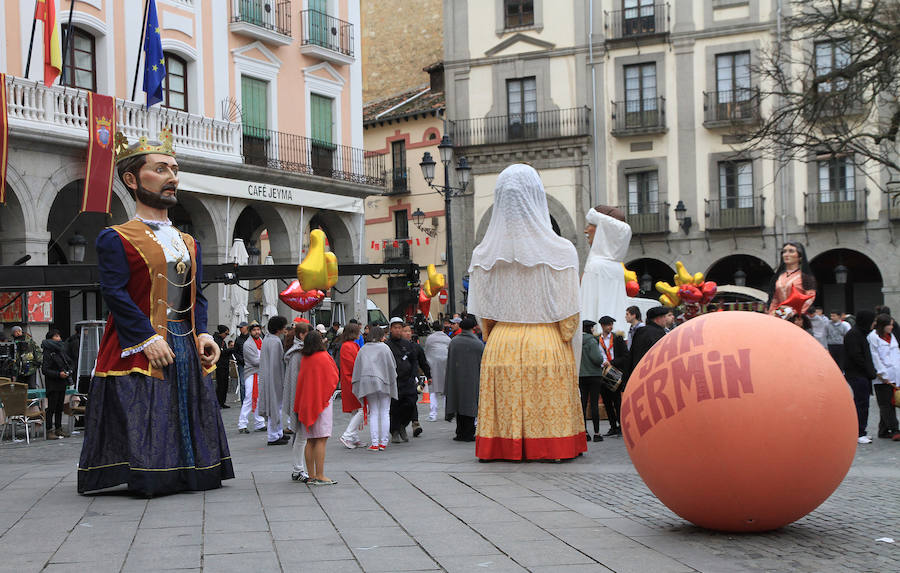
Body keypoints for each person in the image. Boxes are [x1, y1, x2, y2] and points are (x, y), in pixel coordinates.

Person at [78, 129, 232, 495]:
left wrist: (205, 332)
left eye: (174, 169)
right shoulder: (116, 237)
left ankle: (191, 470)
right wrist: (145, 337)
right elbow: (114, 293)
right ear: (132, 179)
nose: (172, 177)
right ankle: (152, 474)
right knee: (148, 407)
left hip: (184, 338)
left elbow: (198, 294)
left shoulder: (189, 241)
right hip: (141, 341)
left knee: (187, 404)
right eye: (161, 169)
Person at [467, 164, 586, 461]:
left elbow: (485, 315)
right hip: (546, 342)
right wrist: (563, 335)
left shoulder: (484, 253)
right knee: (544, 405)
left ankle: (500, 447)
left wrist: (496, 333)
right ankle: (552, 447)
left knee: (506, 403)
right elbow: (569, 316)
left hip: (501, 345)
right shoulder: (561, 250)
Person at [293, 331, 339, 485]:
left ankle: (311, 475)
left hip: (307, 402)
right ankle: (320, 475)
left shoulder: (305, 358)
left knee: (310, 440)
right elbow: (334, 377)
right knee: (321, 439)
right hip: (322, 402)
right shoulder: (324, 356)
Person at [581, 205, 632, 328]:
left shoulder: (595, 266)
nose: (586, 230)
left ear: (603, 230)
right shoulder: (617, 266)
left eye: (590, 225)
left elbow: (587, 308)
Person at [351, 326, 397, 451]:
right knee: (385, 412)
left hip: (368, 383)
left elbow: (357, 368)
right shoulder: (385, 348)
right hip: (384, 382)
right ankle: (383, 442)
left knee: (374, 413)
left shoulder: (363, 349)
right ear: (382, 336)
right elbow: (392, 366)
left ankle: (375, 443)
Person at [444, 316, 484, 442]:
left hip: (456, 378)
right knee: (470, 405)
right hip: (472, 379)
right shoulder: (477, 344)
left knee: (459, 405)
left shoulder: (454, 342)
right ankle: (468, 433)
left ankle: (459, 432)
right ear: (473, 328)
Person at [843, 310, 877, 444]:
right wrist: (869, 369)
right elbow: (856, 356)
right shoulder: (854, 335)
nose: (873, 324)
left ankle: (862, 430)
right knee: (861, 403)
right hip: (857, 374)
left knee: (864, 403)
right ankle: (858, 432)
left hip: (862, 374)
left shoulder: (861, 333)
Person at [283, 320, 310, 481]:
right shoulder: (297, 354)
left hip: (302, 399)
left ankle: (298, 469)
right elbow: (294, 381)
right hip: (300, 400)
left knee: (303, 437)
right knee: (301, 436)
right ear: (301, 335)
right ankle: (298, 469)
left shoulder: (301, 352)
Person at [386, 318, 420, 443]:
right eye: (395, 328)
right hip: (394, 382)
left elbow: (414, 360)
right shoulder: (387, 346)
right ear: (390, 329)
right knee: (394, 407)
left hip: (408, 381)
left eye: (400, 328)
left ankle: (403, 425)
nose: (398, 330)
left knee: (411, 403)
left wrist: (414, 375)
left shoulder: (407, 344)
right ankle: (394, 430)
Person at [867, 313, 900, 441]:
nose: (892, 327)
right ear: (883, 325)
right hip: (882, 377)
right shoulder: (873, 337)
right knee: (886, 404)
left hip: (894, 375)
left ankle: (883, 430)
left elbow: (896, 355)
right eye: (889, 325)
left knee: (889, 403)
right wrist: (882, 374)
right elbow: (875, 357)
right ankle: (895, 429)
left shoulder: (891, 337)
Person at [596, 316, 629, 438]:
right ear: (602, 326)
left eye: (611, 324)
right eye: (608, 324)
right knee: (607, 401)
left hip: (615, 372)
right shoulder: (596, 340)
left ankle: (621, 426)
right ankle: (613, 426)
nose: (611, 327)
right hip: (603, 373)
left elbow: (625, 356)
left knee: (617, 401)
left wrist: (612, 362)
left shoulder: (618, 339)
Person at [259, 316, 290, 446]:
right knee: (275, 406)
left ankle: (278, 433)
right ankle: (273, 435)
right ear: (279, 328)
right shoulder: (275, 342)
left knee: (275, 406)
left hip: (268, 375)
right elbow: (278, 364)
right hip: (274, 377)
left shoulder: (267, 338)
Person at [767, 242, 817, 316]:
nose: (786, 254)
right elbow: (775, 299)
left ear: (800, 257)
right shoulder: (779, 277)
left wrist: (793, 312)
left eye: (791, 251)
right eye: (784, 252)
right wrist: (772, 314)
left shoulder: (805, 278)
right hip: (780, 315)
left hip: (798, 316)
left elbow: (810, 298)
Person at [41, 329, 73, 440]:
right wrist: (58, 374)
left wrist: (69, 370)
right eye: (56, 336)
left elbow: (69, 361)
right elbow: (45, 370)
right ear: (51, 338)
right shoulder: (48, 351)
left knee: (60, 407)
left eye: (59, 335)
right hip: (53, 384)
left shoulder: (60, 349)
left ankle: (58, 429)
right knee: (51, 408)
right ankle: (49, 430)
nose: (59, 338)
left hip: (62, 382)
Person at [337, 323, 364, 449]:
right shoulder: (350, 346)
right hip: (353, 381)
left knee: (355, 409)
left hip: (350, 380)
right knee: (362, 408)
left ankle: (353, 437)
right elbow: (354, 365)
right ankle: (348, 435)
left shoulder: (347, 345)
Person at [578, 321, 606, 443]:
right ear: (590, 328)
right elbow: (597, 358)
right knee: (594, 404)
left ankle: (584, 432)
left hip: (581, 375)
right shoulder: (591, 341)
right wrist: (601, 360)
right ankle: (597, 433)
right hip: (594, 375)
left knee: (582, 404)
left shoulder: (577, 340)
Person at [403, 324, 431, 437]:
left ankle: (415, 423)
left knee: (412, 401)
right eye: (405, 331)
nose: (408, 333)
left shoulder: (416, 347)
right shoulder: (392, 346)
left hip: (412, 379)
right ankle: (400, 426)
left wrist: (428, 376)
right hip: (398, 380)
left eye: (409, 331)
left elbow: (423, 362)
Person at [239, 322, 266, 434]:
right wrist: (269, 359)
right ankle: (242, 424)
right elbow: (255, 361)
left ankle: (259, 423)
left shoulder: (261, 341)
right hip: (252, 374)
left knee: (259, 398)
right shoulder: (248, 344)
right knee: (249, 398)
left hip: (260, 373)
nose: (257, 332)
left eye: (258, 330)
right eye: (254, 330)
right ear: (250, 332)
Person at [629, 306, 670, 374]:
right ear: (657, 319)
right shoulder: (651, 332)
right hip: (648, 372)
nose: (666, 319)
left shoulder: (644, 331)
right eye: (664, 317)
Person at [423, 325, 451, 422]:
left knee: (432, 390)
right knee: (445, 390)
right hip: (445, 364)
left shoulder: (430, 338)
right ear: (442, 329)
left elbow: (426, 350)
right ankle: (448, 413)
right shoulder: (447, 339)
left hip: (432, 364)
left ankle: (433, 414)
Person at [213, 325, 232, 408]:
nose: (226, 336)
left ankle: (222, 402)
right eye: (226, 334)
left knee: (225, 384)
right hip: (220, 365)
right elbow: (221, 352)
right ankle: (218, 402)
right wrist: (231, 349)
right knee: (220, 384)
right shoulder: (216, 340)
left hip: (225, 365)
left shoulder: (222, 341)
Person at [233, 321, 249, 402]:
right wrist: (241, 359)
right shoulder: (238, 339)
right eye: (239, 328)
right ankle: (244, 402)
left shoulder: (251, 338)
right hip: (241, 364)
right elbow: (235, 351)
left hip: (251, 364)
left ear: (246, 327)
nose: (240, 329)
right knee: (243, 384)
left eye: (241, 327)